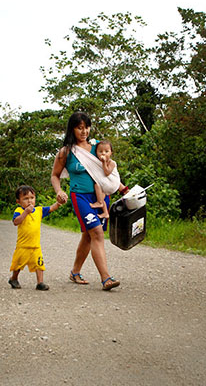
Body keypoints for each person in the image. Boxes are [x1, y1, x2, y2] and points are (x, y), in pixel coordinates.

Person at [51, 112, 128, 291]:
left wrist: (122, 188)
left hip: (101, 198)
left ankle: (75, 272)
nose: (84, 131)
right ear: (72, 129)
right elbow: (55, 176)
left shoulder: (97, 148)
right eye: (79, 128)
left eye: (86, 127)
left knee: (89, 235)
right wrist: (59, 190)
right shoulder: (66, 152)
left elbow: (108, 173)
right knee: (97, 233)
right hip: (81, 197)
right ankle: (106, 278)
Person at [9, 185, 62, 291]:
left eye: (32, 198)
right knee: (18, 265)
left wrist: (59, 202)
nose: (29, 201)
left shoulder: (39, 210)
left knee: (39, 264)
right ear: (18, 201)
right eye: (25, 198)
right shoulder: (19, 210)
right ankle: (14, 278)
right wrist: (25, 212)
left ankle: (40, 282)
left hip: (35, 246)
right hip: (23, 246)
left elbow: (51, 208)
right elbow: (16, 222)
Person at [89, 140, 118, 219]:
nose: (103, 153)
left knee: (97, 184)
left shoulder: (112, 163)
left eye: (106, 151)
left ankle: (99, 202)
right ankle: (105, 212)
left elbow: (107, 172)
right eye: (100, 151)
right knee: (101, 196)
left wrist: (104, 162)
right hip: (106, 184)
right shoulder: (98, 162)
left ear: (111, 152)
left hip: (113, 183)